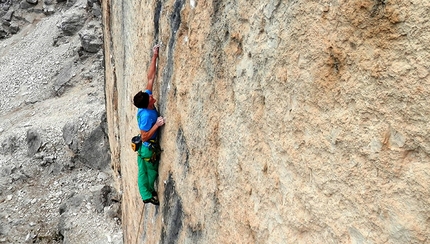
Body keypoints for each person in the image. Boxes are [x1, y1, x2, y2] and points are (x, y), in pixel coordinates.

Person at [133, 44, 165, 205]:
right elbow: (145, 135)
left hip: (144, 148)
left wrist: (154, 56)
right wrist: (157, 125)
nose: (152, 97)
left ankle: (146, 194)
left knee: (142, 171)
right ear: (147, 104)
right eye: (151, 98)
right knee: (149, 173)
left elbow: (150, 78)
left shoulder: (146, 98)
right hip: (147, 147)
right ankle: (148, 196)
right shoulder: (146, 115)